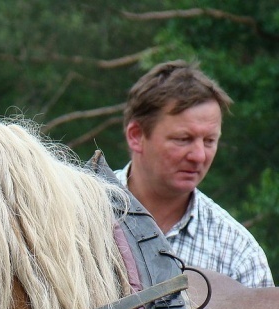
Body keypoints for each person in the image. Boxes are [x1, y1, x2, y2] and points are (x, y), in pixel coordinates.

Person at [115, 60, 274, 288]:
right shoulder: (79, 217)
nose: (199, 156)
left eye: (209, 141)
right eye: (183, 139)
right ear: (136, 135)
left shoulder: (238, 253)